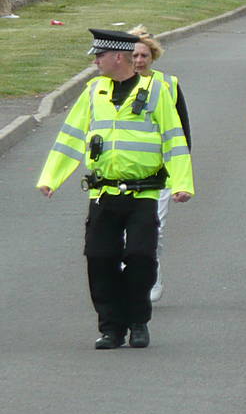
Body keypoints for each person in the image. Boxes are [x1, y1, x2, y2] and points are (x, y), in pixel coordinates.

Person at [37, 29, 194, 348]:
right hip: (103, 193)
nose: (95, 61)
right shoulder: (94, 91)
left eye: (99, 56)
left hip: (144, 192)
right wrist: (51, 177)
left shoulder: (155, 91)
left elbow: (174, 139)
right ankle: (111, 327)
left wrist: (181, 182)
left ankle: (137, 322)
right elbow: (70, 136)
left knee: (140, 257)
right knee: (100, 258)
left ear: (117, 57)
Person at [129, 26, 192, 302]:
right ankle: (128, 280)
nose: (139, 60)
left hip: (161, 174)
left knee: (155, 228)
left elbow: (182, 134)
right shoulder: (115, 86)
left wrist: (181, 177)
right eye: (134, 55)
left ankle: (151, 277)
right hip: (127, 173)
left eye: (144, 55)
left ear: (152, 57)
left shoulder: (168, 84)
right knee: (123, 235)